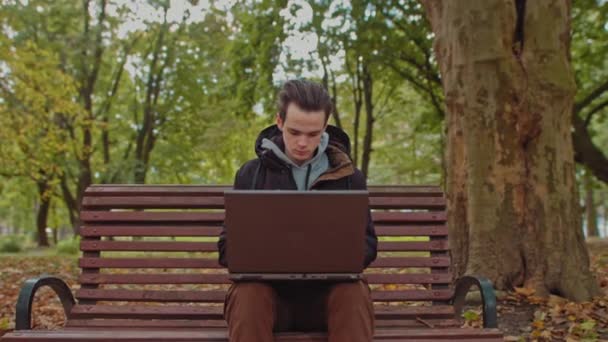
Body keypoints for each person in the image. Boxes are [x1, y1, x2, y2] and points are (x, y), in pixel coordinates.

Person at [217, 79, 378, 342]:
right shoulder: (252, 174)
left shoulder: (350, 177)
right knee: (248, 294)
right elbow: (226, 249)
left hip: (328, 300)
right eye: (294, 132)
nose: (303, 142)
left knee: (353, 293)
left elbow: (368, 244)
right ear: (279, 122)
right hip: (268, 299)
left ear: (325, 127)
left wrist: (336, 256)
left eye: (313, 134)